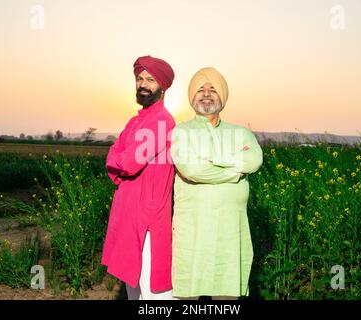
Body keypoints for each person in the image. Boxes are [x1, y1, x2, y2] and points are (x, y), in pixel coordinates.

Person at [170, 67, 263, 300]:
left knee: (228, 294)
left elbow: (253, 160)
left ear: (223, 96)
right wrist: (235, 172)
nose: (207, 94)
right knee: (189, 294)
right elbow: (192, 169)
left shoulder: (240, 132)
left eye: (213, 89)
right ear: (192, 97)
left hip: (230, 230)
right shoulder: (181, 132)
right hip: (194, 228)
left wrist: (213, 159)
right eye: (201, 89)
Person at [101, 55, 176, 300]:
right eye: (139, 78)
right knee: (133, 287)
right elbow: (114, 154)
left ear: (162, 86)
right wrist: (118, 157)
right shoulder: (135, 121)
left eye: (151, 79)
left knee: (153, 291)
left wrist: (118, 158)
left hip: (148, 216)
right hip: (127, 211)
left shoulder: (162, 121)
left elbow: (128, 162)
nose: (143, 84)